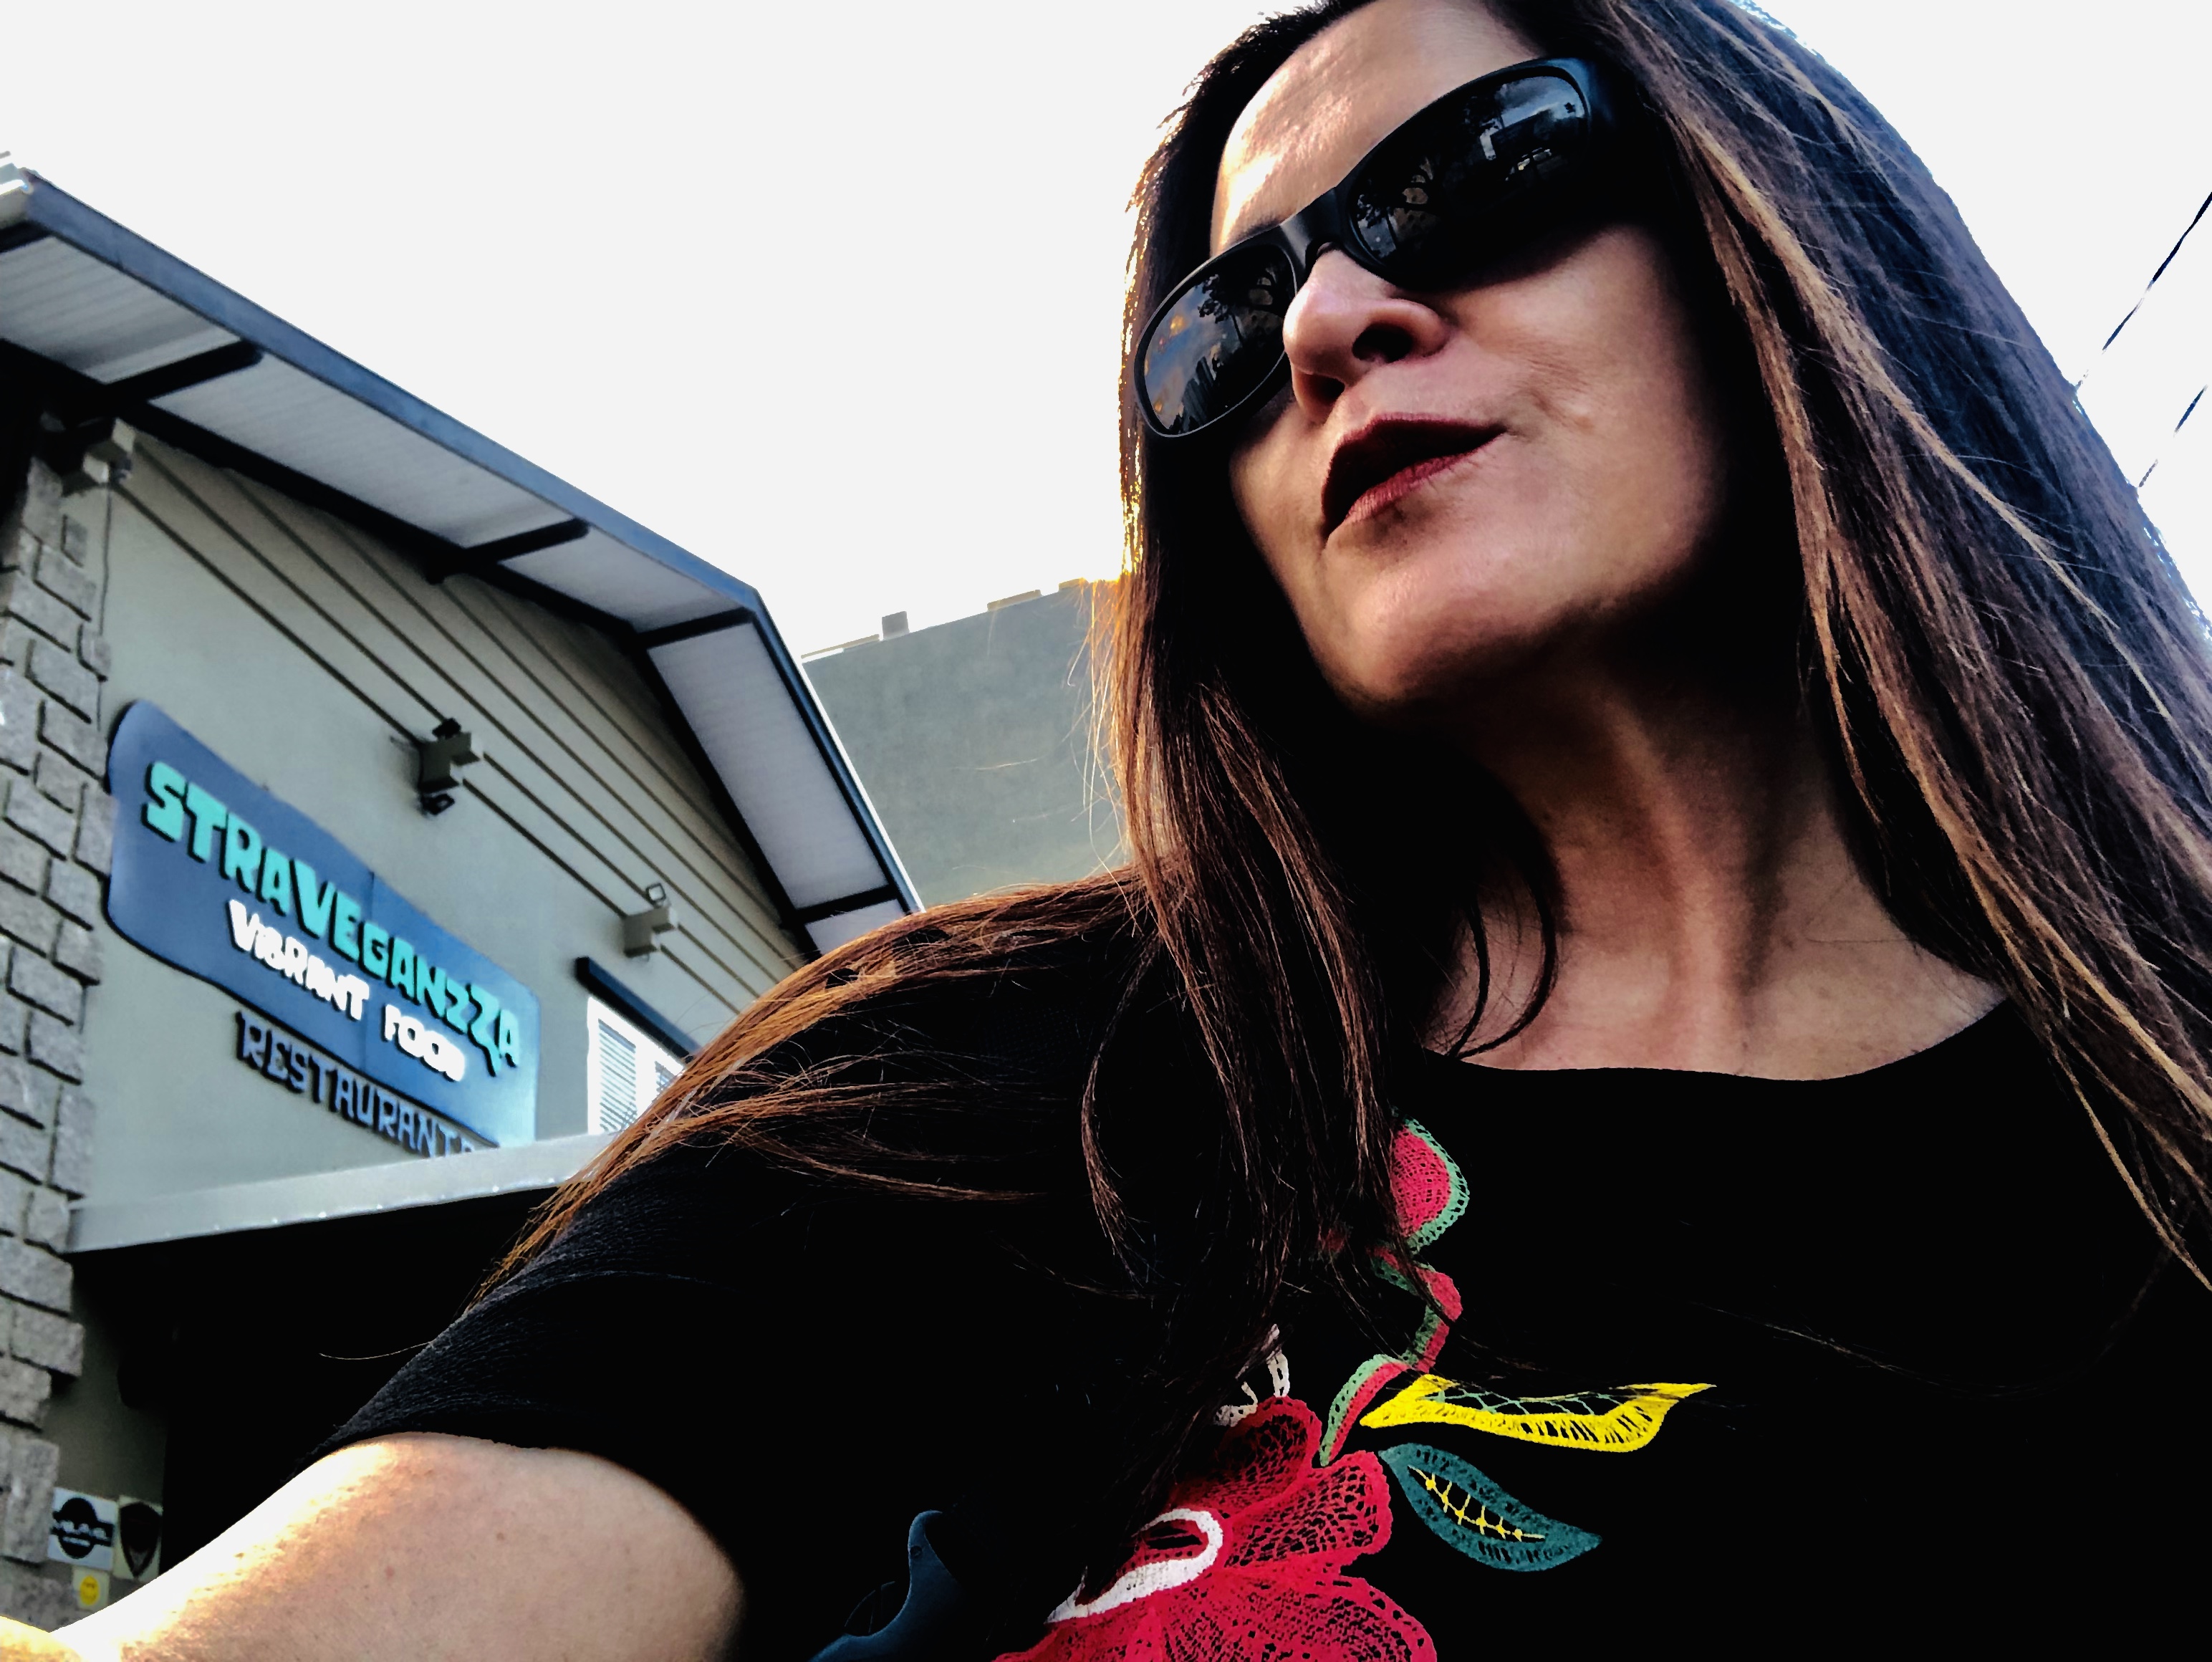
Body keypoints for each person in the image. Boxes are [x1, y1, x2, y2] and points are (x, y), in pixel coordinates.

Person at [57, 0, 2212, 1655]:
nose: (1328, 323)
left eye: (1478, 174)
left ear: (1783, 228)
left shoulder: (2159, 1138)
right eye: (1223, 337)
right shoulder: (976, 1093)